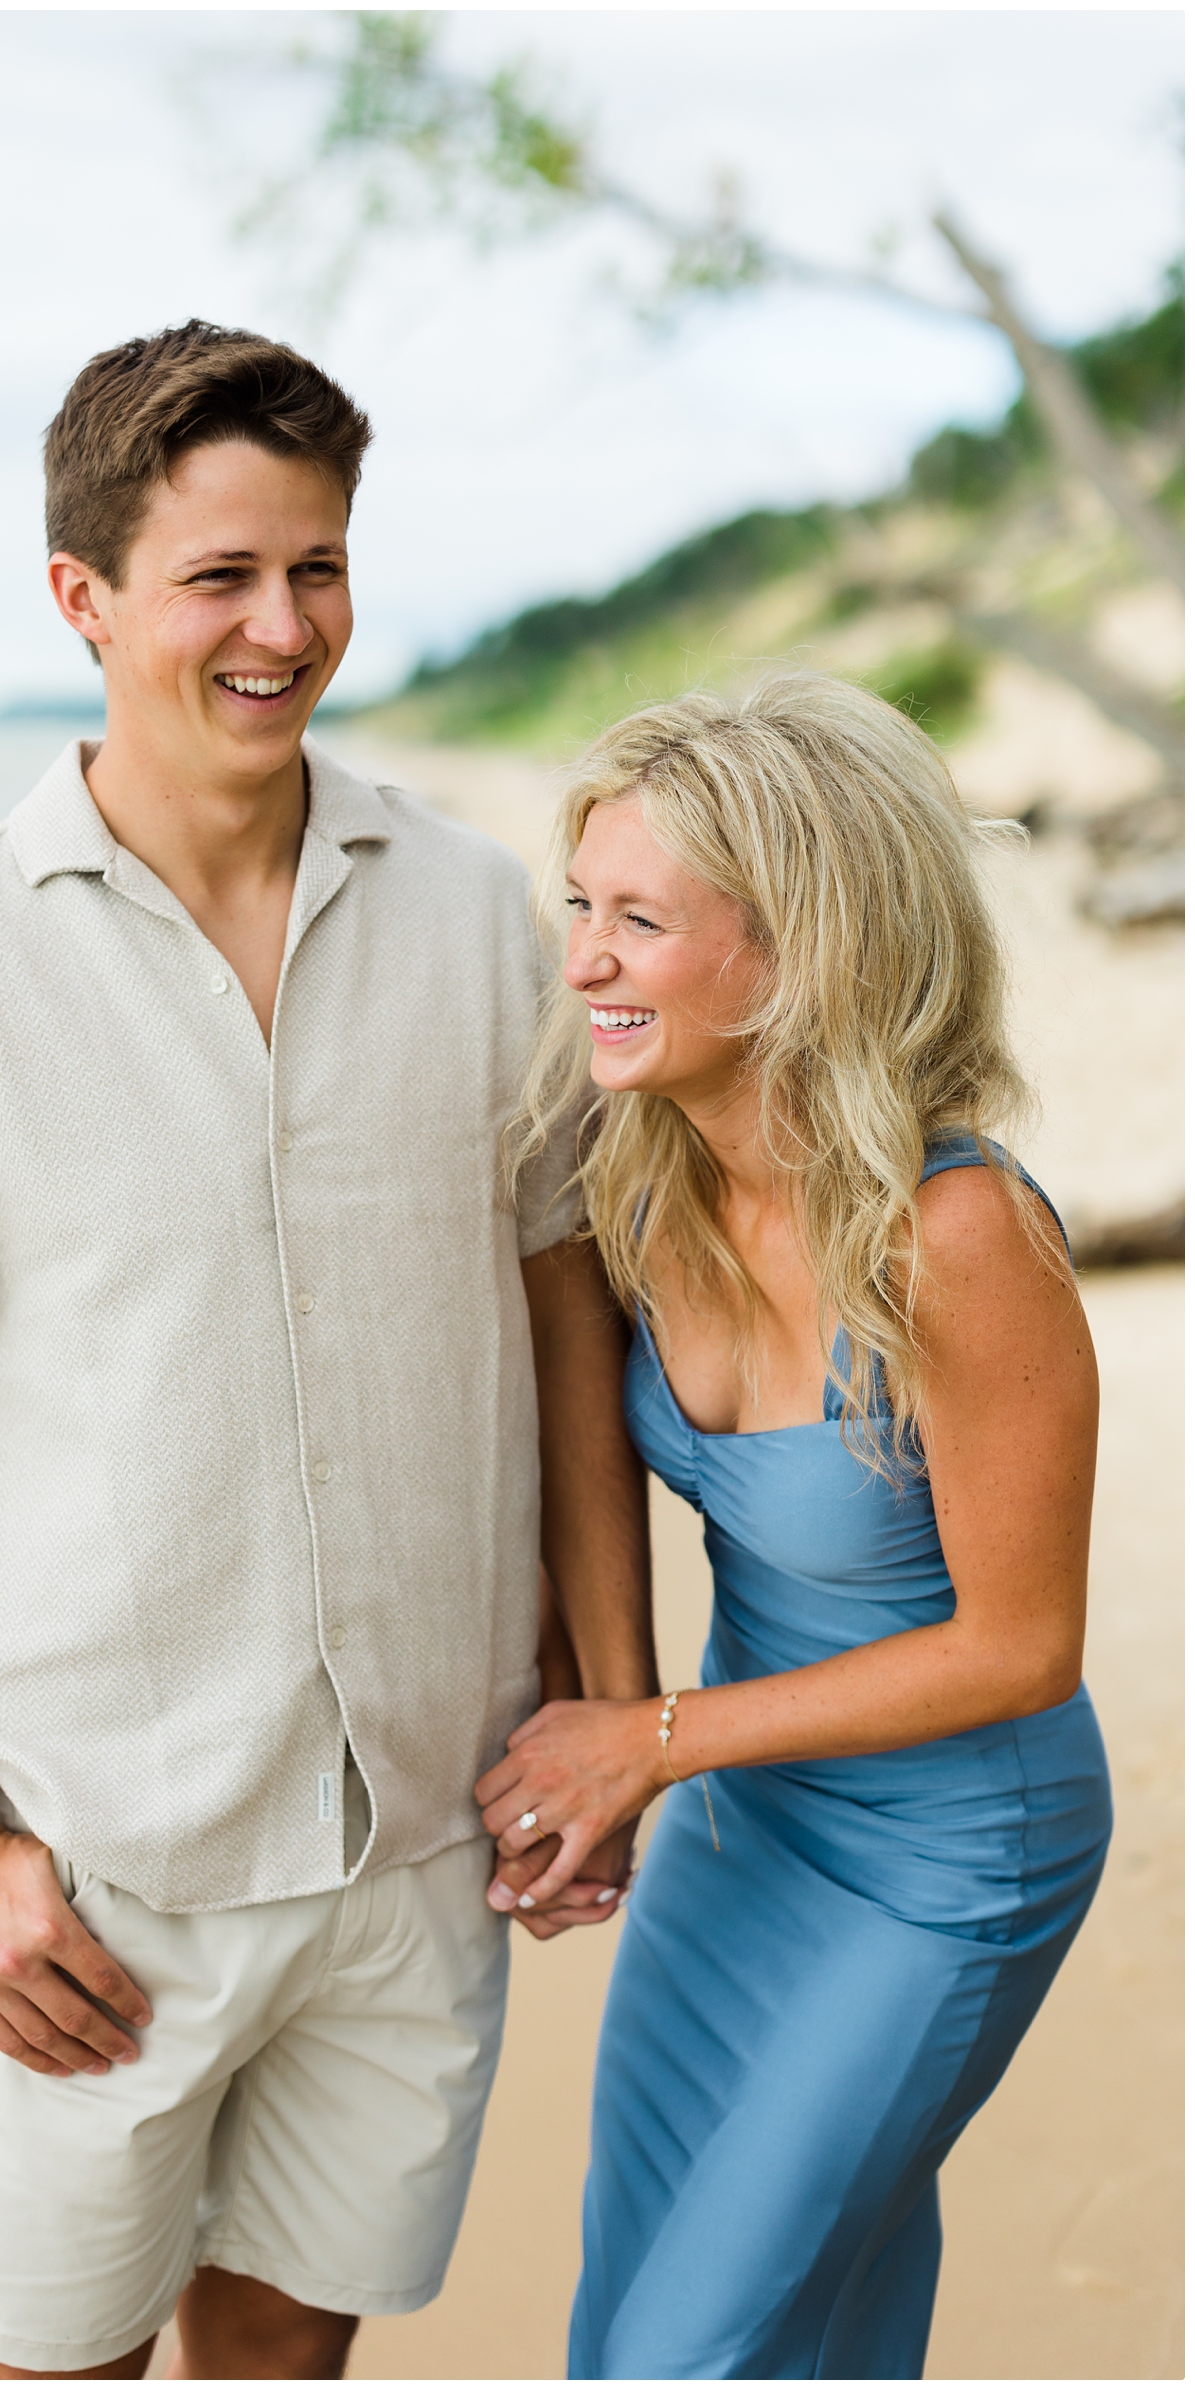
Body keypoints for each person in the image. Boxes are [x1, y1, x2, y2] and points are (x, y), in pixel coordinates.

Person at [0, 320, 653, 2383]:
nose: (279, 627)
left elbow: (557, 1305)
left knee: (279, 2366)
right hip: (100, 1884)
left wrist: (614, 1696)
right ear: (80, 599)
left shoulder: (467, 910)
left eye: (316, 567)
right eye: (219, 578)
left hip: (419, 1840)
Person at [475, 674, 1113, 2380]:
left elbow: (1023, 1644)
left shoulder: (957, 1234)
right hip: (742, 1831)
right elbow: (572, 1422)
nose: (586, 960)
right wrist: (605, 1716)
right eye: (580, 910)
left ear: (798, 946)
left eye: (642, 921)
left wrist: (650, 1737)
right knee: (654, 2311)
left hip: (953, 1855)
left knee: (700, 2349)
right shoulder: (639, 1165)